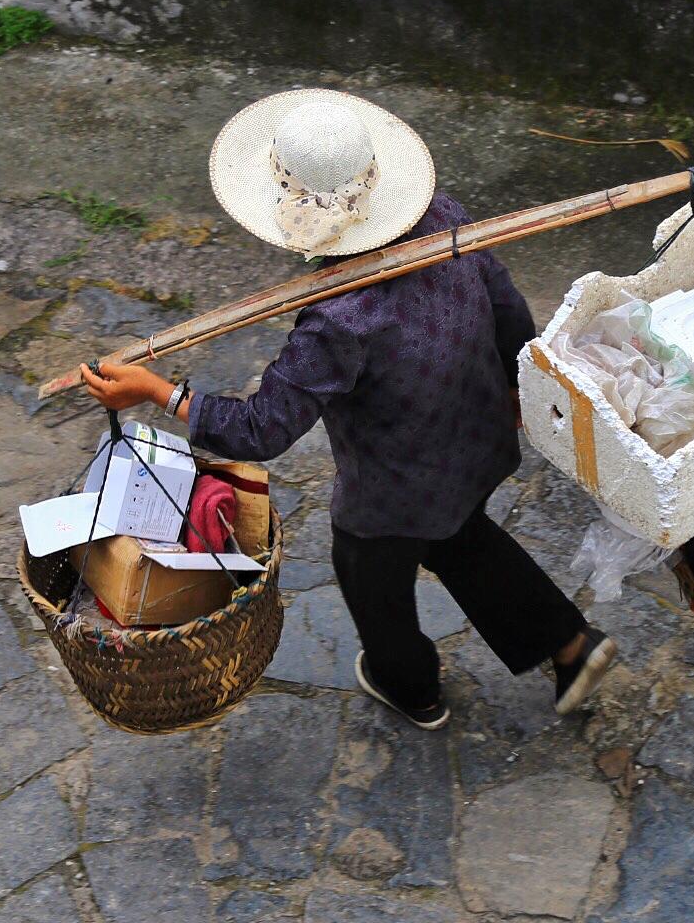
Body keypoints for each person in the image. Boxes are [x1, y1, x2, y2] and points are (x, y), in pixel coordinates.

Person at [76, 88, 616, 729]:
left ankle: (409, 686)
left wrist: (156, 392)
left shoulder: (339, 319)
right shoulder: (442, 216)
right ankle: (570, 644)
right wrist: (511, 387)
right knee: (461, 537)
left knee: (369, 574)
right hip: (476, 434)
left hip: (394, 488)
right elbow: (507, 305)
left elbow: (260, 428)